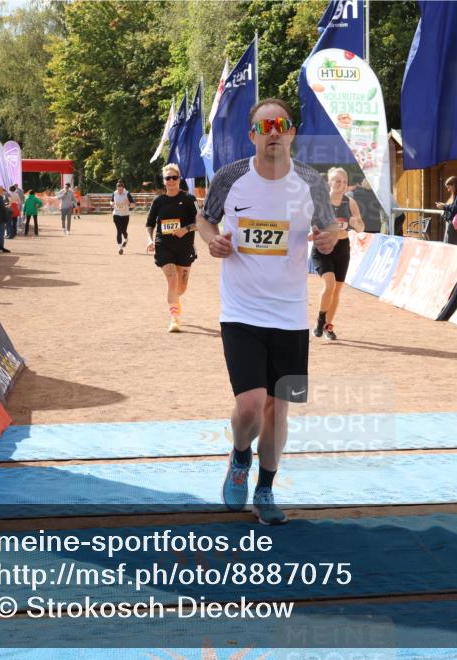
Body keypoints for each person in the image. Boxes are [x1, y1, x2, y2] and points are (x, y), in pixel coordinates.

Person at [196, 98, 336, 525]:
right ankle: (240, 456)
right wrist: (211, 239)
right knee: (251, 406)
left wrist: (329, 239)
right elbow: (205, 220)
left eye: (282, 124)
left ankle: (266, 490)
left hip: (291, 317)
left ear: (291, 131)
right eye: (265, 126)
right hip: (241, 312)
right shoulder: (230, 177)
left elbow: (329, 228)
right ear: (252, 135)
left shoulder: (311, 182)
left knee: (279, 408)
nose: (274, 131)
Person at [312, 167, 363, 341]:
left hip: (342, 248)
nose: (340, 184)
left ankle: (328, 325)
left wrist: (356, 223)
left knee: (337, 290)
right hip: (323, 248)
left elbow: (361, 227)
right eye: (337, 181)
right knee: (330, 284)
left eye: (343, 182)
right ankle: (320, 320)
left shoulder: (350, 203)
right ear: (329, 183)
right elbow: (309, 226)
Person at [146, 164, 198, 331]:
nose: (171, 181)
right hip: (164, 245)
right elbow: (150, 224)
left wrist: (186, 229)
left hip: (185, 247)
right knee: (172, 278)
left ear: (179, 179)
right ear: (164, 181)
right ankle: (174, 319)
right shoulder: (158, 201)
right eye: (167, 178)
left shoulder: (189, 199)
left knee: (180, 288)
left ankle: (176, 300)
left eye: (174, 177)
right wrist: (149, 239)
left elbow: (201, 223)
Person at [437, 176, 457, 245]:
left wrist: (444, 206)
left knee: (452, 245)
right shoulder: (456, 195)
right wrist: (445, 205)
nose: (448, 190)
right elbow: (453, 207)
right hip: (452, 223)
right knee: (450, 243)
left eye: (448, 187)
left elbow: (454, 208)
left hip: (455, 224)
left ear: (453, 185)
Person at [111, 180, 135, 254]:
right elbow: (111, 201)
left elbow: (133, 205)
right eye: (118, 189)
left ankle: (126, 239)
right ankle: (120, 247)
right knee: (119, 230)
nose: (120, 191)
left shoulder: (127, 193)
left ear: (123, 188)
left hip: (125, 215)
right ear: (116, 188)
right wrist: (112, 203)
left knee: (124, 230)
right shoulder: (114, 193)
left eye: (121, 190)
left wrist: (128, 203)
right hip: (116, 214)